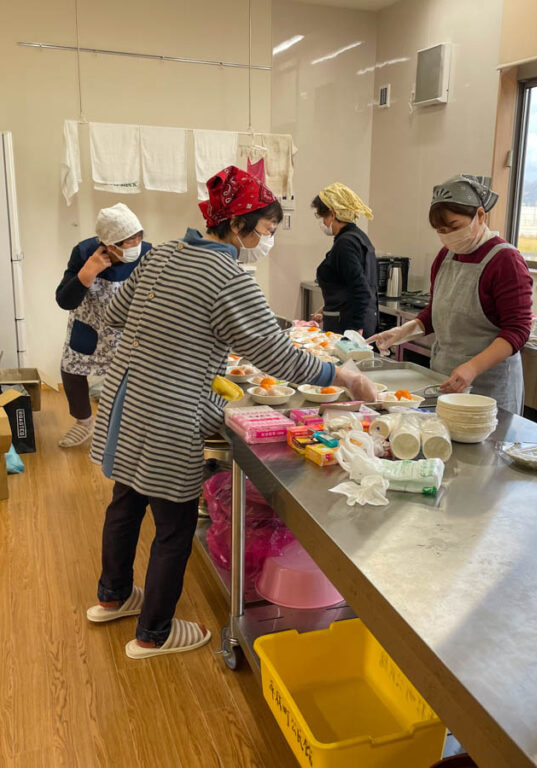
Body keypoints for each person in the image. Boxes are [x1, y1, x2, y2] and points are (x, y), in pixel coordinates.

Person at [85, 166, 377, 659]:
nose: (265, 242)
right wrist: (344, 376)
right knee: (174, 524)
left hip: (125, 401)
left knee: (127, 501)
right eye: (264, 232)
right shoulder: (227, 275)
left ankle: (113, 597)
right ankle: (152, 634)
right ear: (239, 226)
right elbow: (276, 353)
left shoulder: (162, 255)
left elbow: (114, 315)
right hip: (170, 413)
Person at [368, 174, 532, 413]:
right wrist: (402, 332)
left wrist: (472, 368)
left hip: (488, 389)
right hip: (444, 380)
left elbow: (518, 330)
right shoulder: (445, 257)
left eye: (453, 227)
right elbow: (436, 311)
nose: (447, 235)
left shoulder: (506, 260)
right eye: (440, 230)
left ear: (480, 215)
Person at [55, 203, 151, 448]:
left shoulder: (149, 253)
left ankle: (127, 430)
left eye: (138, 237)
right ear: (109, 244)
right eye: (128, 241)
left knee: (132, 379)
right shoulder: (84, 252)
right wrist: (87, 274)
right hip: (90, 325)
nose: (136, 244)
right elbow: (64, 300)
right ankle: (84, 423)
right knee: (72, 370)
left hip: (129, 330)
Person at [310, 183, 379, 337]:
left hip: (348, 326)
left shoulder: (345, 243)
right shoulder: (359, 237)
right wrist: (326, 310)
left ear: (333, 214)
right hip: (354, 319)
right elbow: (348, 284)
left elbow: (361, 290)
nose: (322, 223)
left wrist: (355, 330)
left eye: (323, 217)